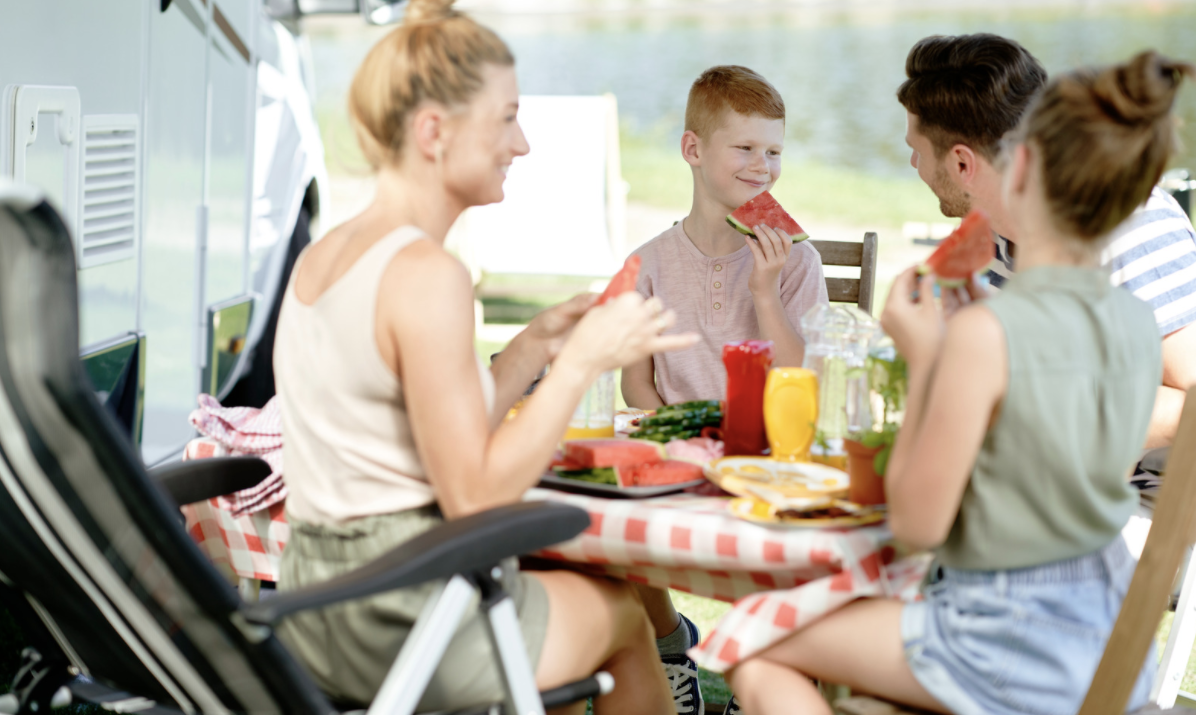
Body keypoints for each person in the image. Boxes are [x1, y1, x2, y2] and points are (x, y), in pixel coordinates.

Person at [724, 51, 1192, 715]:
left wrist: (931, 358)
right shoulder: (1130, 325)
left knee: (751, 643)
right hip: (1110, 639)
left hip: (1003, 646)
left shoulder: (985, 334)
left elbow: (917, 525)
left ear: (1022, 167)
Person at [269, 1, 697, 713]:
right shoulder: (427, 275)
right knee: (623, 612)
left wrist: (531, 347)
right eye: (506, 117)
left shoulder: (326, 255)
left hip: (316, 603)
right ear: (434, 132)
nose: (522, 143)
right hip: (403, 614)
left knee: (557, 590)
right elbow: (474, 493)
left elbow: (424, 437)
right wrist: (581, 363)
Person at [618, 65, 828, 715]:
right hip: (676, 457)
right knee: (613, 529)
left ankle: (771, 669)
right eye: (745, 148)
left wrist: (765, 291)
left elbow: (802, 383)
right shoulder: (649, 261)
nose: (762, 166)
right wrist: (674, 441)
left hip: (772, 457)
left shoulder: (798, 261)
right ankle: (666, 649)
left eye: (773, 152)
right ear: (693, 151)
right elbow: (636, 383)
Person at [898, 33, 1196, 450]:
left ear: (963, 163)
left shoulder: (1134, 228)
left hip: (1146, 505)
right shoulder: (993, 241)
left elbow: (1192, 406)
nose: (915, 164)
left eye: (916, 150)